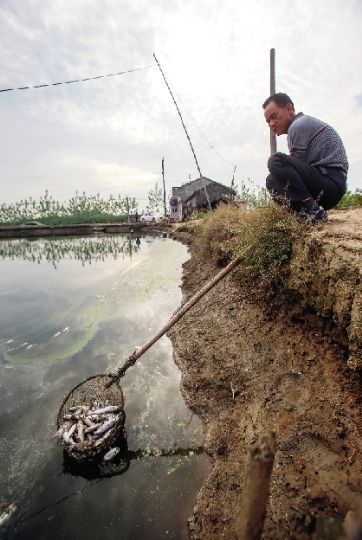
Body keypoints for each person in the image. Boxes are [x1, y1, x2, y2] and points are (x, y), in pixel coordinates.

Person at [262, 93, 348, 222]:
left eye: (274, 116)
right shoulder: (299, 126)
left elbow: (293, 176)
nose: (271, 124)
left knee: (275, 161)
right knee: (272, 181)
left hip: (331, 184)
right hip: (326, 187)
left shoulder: (298, 125)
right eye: (268, 121)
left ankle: (310, 210)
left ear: (289, 109)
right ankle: (302, 214)